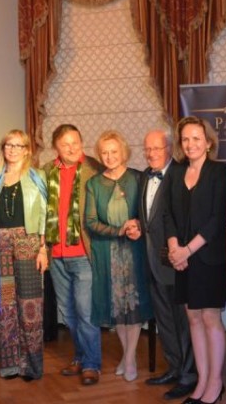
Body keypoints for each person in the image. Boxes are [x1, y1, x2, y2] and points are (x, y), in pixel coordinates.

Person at [163, 116, 226, 404]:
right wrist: (174, 248)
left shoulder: (219, 171)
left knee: (210, 317)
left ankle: (215, 383)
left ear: (208, 142)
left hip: (208, 257)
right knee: (192, 317)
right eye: (186, 139)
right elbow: (167, 214)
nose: (190, 144)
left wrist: (187, 250)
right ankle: (202, 380)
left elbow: (217, 219)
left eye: (196, 139)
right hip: (182, 258)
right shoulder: (176, 172)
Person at [0, 129, 48, 380]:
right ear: (3, 148)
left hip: (29, 243)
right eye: (9, 145)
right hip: (0, 245)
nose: (13, 149)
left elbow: (45, 214)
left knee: (30, 306)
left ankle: (31, 365)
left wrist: (43, 248)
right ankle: (10, 364)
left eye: (19, 145)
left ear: (27, 150)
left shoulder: (37, 176)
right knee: (6, 305)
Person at [85, 130, 153, 382]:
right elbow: (91, 222)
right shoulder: (94, 184)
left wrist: (137, 226)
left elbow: (149, 212)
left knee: (132, 307)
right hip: (108, 253)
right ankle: (128, 355)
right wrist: (119, 230)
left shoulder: (138, 177)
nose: (110, 156)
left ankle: (130, 358)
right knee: (117, 308)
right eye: (104, 152)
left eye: (114, 151)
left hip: (135, 252)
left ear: (123, 152)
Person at [139, 128, 197, 400]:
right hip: (152, 262)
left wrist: (180, 252)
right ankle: (174, 367)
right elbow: (149, 220)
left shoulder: (181, 174)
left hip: (175, 261)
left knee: (183, 322)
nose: (151, 153)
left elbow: (185, 219)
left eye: (157, 148)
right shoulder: (144, 176)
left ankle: (189, 375)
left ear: (169, 149)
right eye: (147, 149)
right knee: (164, 320)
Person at [43, 124, 103, 386]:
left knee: (85, 312)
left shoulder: (94, 168)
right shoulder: (46, 171)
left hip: (83, 253)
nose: (71, 148)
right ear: (55, 146)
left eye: (75, 142)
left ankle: (91, 364)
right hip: (56, 253)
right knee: (68, 312)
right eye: (65, 143)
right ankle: (79, 357)